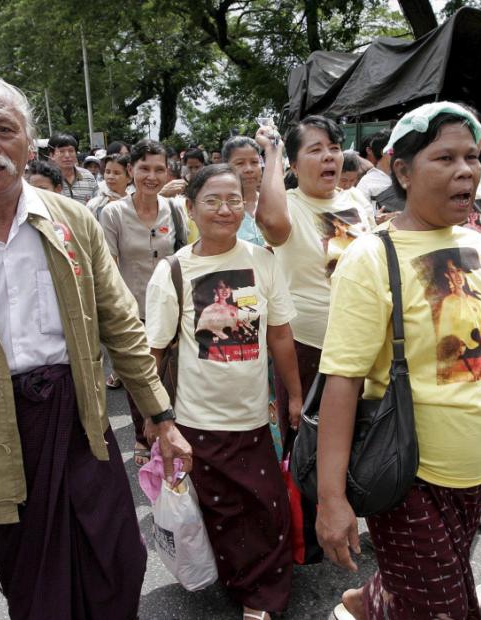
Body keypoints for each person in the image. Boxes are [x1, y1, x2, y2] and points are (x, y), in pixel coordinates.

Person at [0, 72, 192, 620]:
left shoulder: (73, 221)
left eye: (3, 129)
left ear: (28, 142)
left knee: (119, 563)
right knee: (39, 593)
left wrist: (161, 417)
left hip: (81, 426)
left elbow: (121, 323)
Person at [315, 102, 481, 619]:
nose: (465, 170)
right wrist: (332, 500)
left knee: (437, 579)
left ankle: (368, 603)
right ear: (402, 170)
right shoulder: (371, 256)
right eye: (444, 157)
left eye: (472, 157)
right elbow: (342, 382)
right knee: (446, 607)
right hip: (407, 475)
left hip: (473, 468)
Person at [145, 164, 302, 620]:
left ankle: (263, 599)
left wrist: (293, 395)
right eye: (211, 201)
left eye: (234, 199)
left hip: (256, 416)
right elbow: (153, 354)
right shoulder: (173, 271)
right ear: (190, 208)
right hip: (198, 421)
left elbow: (280, 336)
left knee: (268, 509)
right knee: (224, 513)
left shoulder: (263, 260)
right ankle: (241, 586)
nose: (225, 210)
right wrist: (155, 421)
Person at [254, 115, 374, 453]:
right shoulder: (290, 206)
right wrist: (273, 152)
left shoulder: (357, 202)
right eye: (316, 150)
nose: (329, 157)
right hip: (308, 350)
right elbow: (271, 221)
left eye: (334, 149)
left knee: (355, 444)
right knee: (306, 448)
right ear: (294, 163)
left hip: (360, 346)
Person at [99, 139, 190, 465]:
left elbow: (185, 255)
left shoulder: (176, 210)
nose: (151, 176)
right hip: (133, 312)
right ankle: (142, 435)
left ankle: (174, 429)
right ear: (130, 171)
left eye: (159, 169)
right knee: (141, 377)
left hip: (171, 310)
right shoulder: (112, 214)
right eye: (144, 169)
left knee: (173, 374)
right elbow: (108, 266)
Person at [222, 136, 266, 247]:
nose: (249, 169)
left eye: (254, 162)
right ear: (226, 167)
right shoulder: (220, 211)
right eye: (240, 163)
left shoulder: (272, 204)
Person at [48, 133, 99, 203]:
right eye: (61, 151)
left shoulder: (88, 177)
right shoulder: (47, 179)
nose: (67, 155)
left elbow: (97, 205)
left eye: (71, 151)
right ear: (52, 155)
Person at [86, 153, 131, 220]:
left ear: (129, 177)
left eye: (117, 173)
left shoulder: (135, 204)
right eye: (107, 172)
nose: (110, 177)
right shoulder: (94, 205)